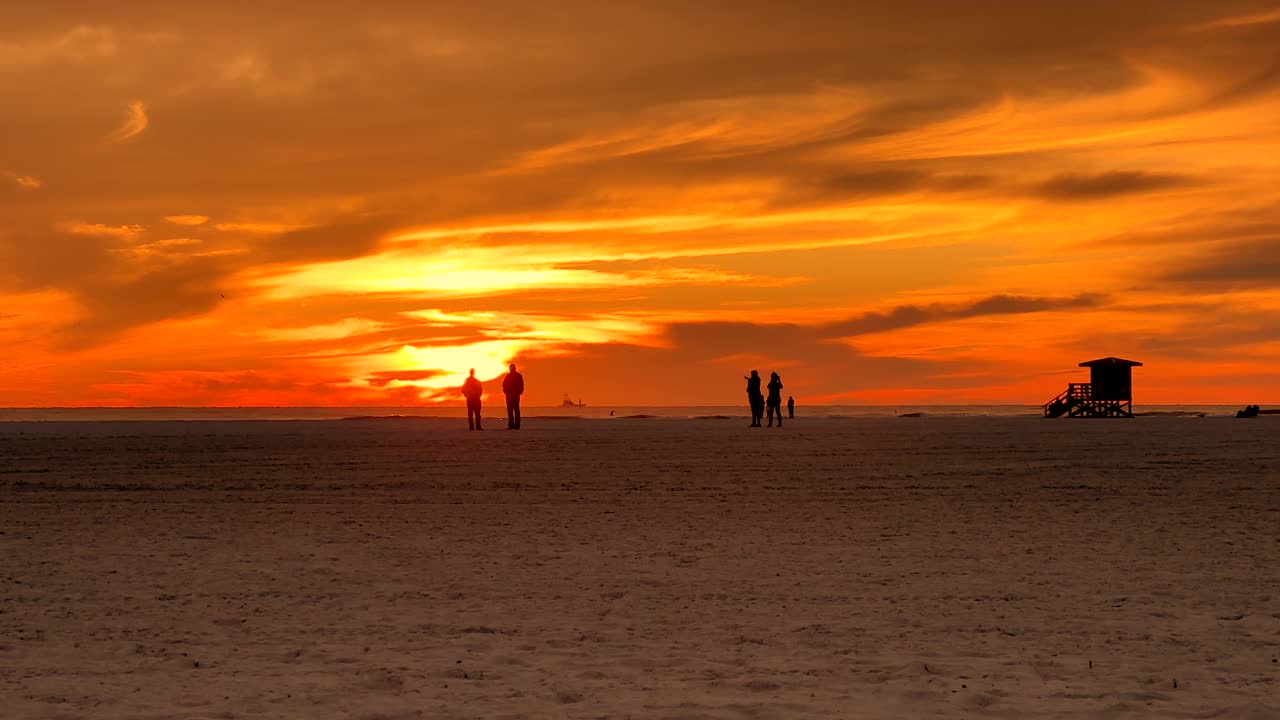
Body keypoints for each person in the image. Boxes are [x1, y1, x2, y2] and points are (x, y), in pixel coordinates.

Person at [502, 363, 524, 429]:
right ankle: (511, 425)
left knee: (516, 411)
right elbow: (504, 385)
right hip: (509, 397)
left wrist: (518, 393)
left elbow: (521, 386)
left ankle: (517, 426)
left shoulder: (518, 376)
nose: (512, 369)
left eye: (513, 367)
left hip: (516, 396)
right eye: (511, 367)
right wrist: (506, 392)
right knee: (510, 412)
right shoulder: (508, 376)